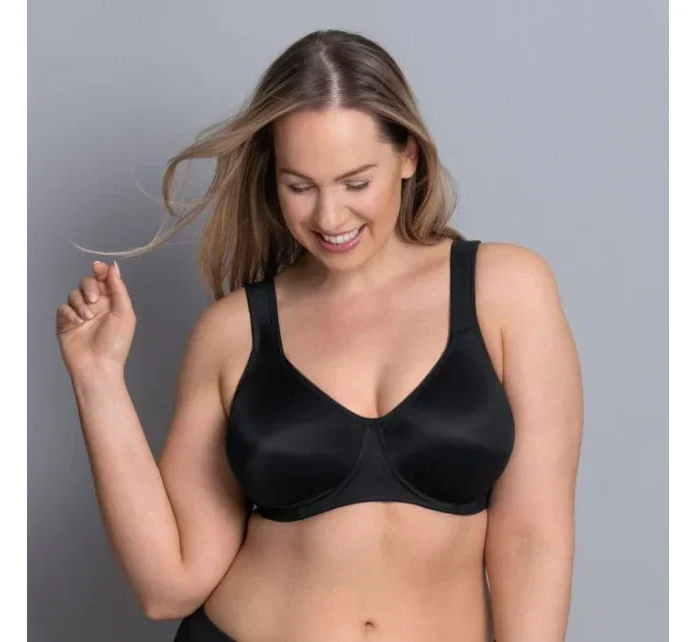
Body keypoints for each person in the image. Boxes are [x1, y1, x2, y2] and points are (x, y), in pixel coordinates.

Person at [55, 29, 583, 642]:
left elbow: (533, 538)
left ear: (408, 156)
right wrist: (97, 379)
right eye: (299, 187)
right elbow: (168, 586)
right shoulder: (234, 334)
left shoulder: (507, 291)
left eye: (356, 183)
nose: (329, 218)